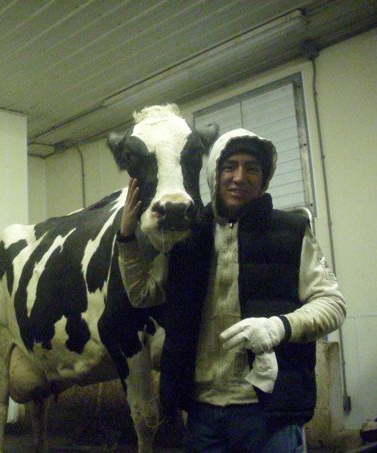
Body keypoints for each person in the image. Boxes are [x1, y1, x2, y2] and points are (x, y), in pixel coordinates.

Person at [116, 128, 346, 452]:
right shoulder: (189, 236)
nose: (240, 177)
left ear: (264, 179)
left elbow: (332, 303)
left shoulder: (291, 231)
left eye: (252, 168)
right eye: (230, 166)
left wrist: (279, 326)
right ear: (214, 174)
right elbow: (142, 294)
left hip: (269, 413)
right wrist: (126, 237)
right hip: (202, 413)